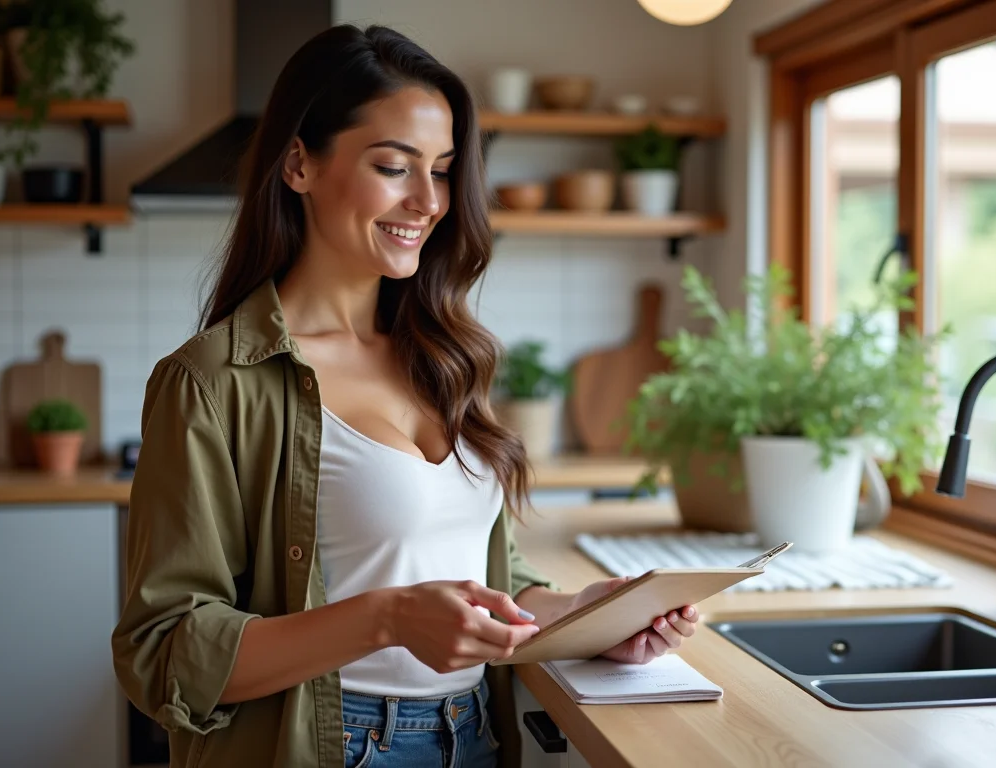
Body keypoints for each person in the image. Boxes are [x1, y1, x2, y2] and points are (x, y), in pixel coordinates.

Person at [111, 24, 701, 768]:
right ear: (298, 163)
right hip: (332, 746)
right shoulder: (214, 381)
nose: (428, 200)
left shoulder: (445, 358)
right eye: (394, 166)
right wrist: (386, 619)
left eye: (445, 170)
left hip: (474, 733)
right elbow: (162, 651)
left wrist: (589, 614)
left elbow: (488, 584)